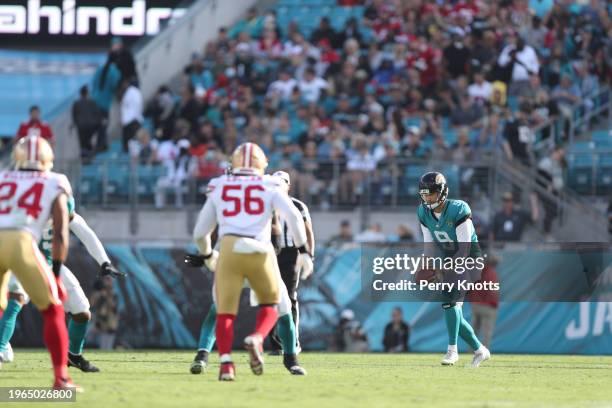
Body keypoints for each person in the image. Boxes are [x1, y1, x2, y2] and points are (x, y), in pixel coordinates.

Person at [191, 142, 313, 381]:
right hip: (261, 252)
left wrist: (206, 256)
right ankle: (284, 355)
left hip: (228, 252)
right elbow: (294, 218)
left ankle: (222, 363)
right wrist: (304, 251)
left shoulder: (220, 184)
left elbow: (199, 233)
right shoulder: (271, 184)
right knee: (280, 307)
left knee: (221, 312)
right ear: (262, 163)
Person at [0, 196, 124, 372]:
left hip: (51, 265)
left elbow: (84, 231)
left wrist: (104, 261)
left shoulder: (63, 206)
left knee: (82, 312)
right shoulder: (22, 208)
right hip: (24, 261)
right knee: (15, 300)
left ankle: (73, 356)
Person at [0, 135, 77, 390]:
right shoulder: (56, 181)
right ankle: (60, 379)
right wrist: (55, 272)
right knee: (53, 308)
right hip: (21, 241)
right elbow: (61, 233)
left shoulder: (3, 177)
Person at [417, 171, 490, 367]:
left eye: (430, 193)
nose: (427, 198)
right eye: (423, 194)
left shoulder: (458, 209)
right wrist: (424, 265)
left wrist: (442, 269)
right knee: (453, 309)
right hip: (449, 258)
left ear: (442, 192)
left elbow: (464, 250)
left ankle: (452, 351)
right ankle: (479, 349)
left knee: (449, 301)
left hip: (470, 259)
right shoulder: (423, 212)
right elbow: (429, 246)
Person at [269, 171, 315, 353]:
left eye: (282, 182)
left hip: (291, 253)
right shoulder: (267, 202)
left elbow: (308, 231)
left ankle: (293, 342)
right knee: (270, 298)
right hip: (270, 253)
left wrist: (309, 254)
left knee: (289, 297)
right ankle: (276, 344)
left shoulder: (297, 205)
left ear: (288, 185)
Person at [467, 256, 500, 349]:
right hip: (488, 306)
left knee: (474, 330)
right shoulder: (492, 273)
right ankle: (484, 352)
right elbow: (493, 291)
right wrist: (494, 304)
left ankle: (471, 350)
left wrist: (472, 300)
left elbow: (469, 288)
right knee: (487, 332)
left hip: (476, 305)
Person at [91, 52, 121, 151]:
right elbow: (115, 86)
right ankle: (101, 145)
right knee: (103, 124)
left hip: (94, 101)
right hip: (104, 103)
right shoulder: (114, 72)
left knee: (98, 124)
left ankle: (99, 144)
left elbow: (94, 83)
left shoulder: (100, 69)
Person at [89, 276, 120, 350]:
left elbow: (113, 307)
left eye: (109, 280)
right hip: (100, 321)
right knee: (101, 344)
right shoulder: (99, 292)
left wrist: (106, 296)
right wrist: (97, 293)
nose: (108, 282)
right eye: (106, 279)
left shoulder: (113, 293)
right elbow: (92, 304)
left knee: (108, 345)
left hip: (110, 321)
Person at [72, 85, 101, 158]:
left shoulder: (77, 103)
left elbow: (74, 115)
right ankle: (90, 156)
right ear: (87, 93)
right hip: (91, 126)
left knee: (83, 143)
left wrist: (75, 123)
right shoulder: (92, 102)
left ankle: (84, 158)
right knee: (89, 143)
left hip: (81, 126)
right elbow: (97, 114)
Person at [119, 79, 143, 151]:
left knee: (127, 146)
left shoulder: (128, 92)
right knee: (135, 146)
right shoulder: (136, 92)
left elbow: (123, 107)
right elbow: (139, 106)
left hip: (127, 121)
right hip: (134, 121)